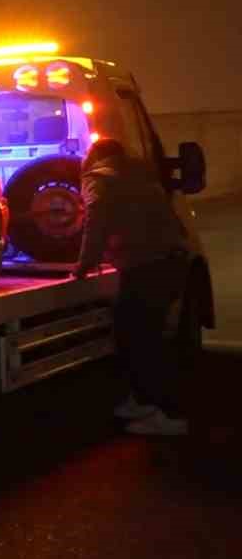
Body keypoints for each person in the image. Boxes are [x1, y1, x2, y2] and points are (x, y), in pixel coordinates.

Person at [74, 137, 191, 436]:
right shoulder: (140, 175)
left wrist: (85, 263)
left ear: (93, 156)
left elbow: (96, 217)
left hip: (145, 266)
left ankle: (166, 413)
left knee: (138, 338)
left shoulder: (97, 178)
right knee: (148, 335)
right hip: (172, 259)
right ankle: (143, 401)